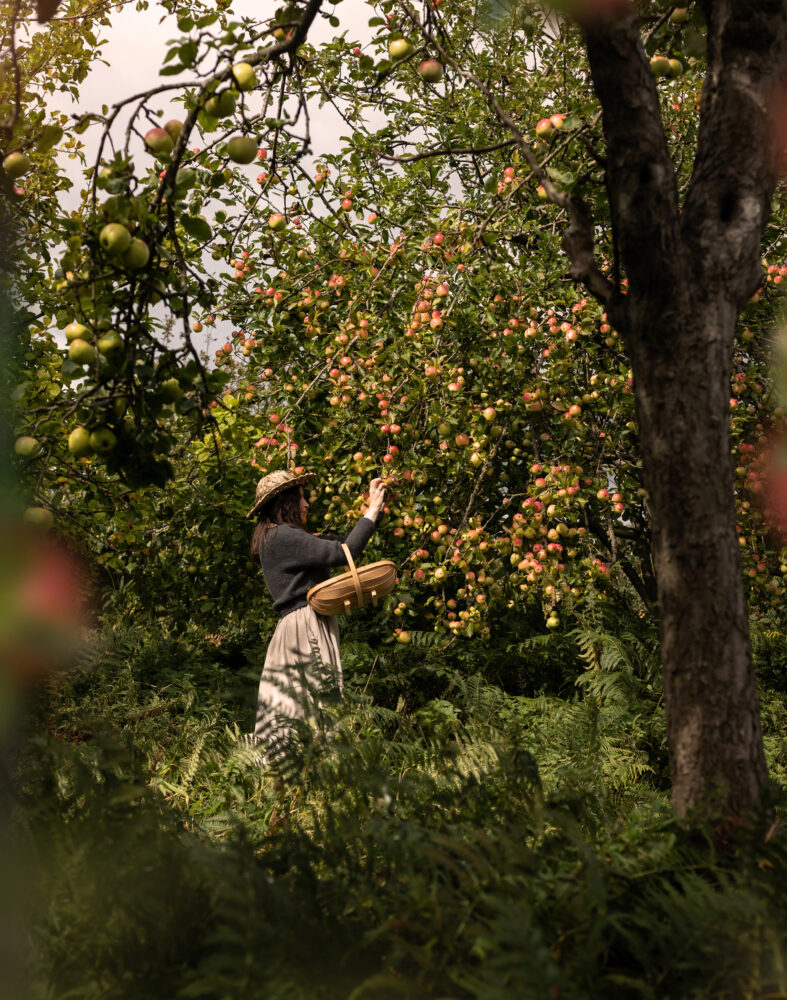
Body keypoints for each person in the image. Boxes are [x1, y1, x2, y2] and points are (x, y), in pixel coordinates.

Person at [245, 468, 387, 751]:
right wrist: (371, 510)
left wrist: (377, 508)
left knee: (295, 703)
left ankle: (293, 775)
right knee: (309, 703)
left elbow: (344, 541)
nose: (307, 503)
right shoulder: (282, 537)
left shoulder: (277, 537)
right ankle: (310, 771)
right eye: (301, 497)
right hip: (303, 625)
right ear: (285, 502)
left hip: (298, 623)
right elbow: (343, 551)